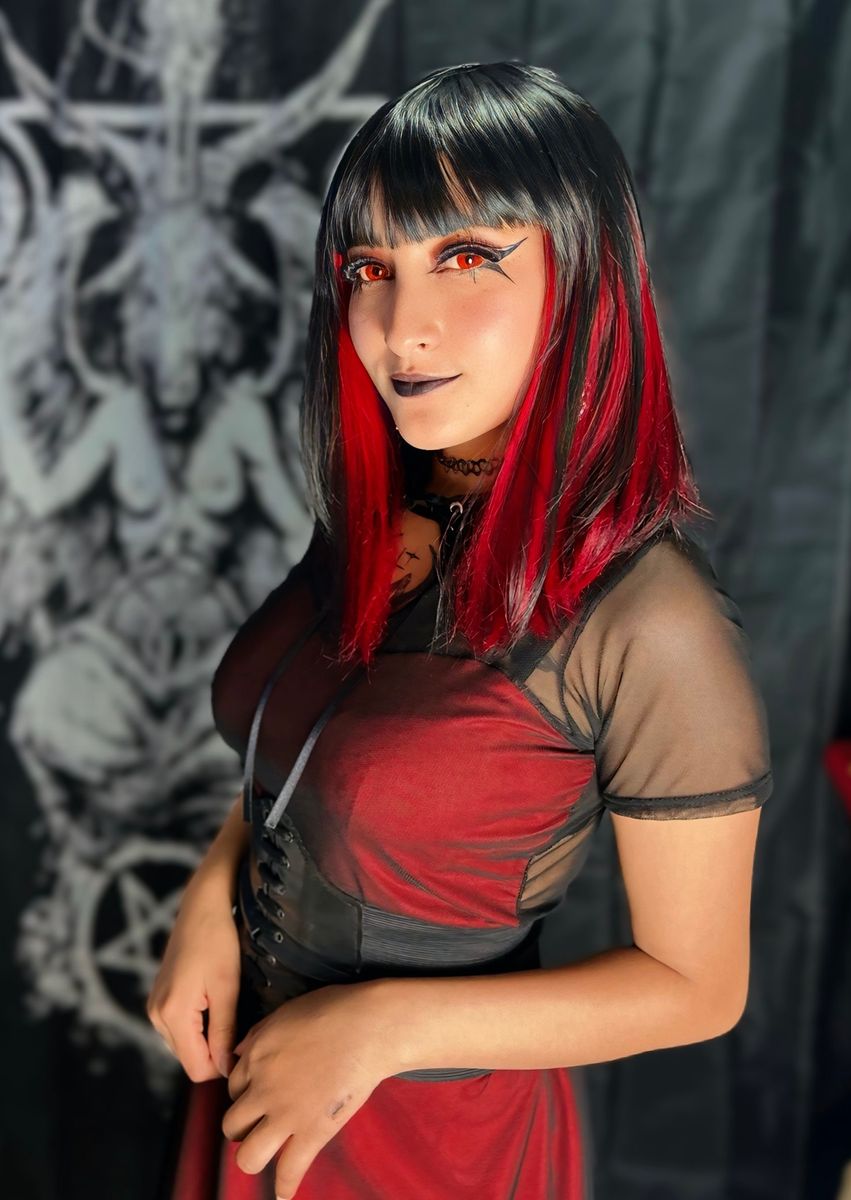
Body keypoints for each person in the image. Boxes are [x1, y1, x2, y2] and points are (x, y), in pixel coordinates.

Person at [148, 60, 774, 1200]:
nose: (401, 326)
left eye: (467, 257)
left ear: (580, 276)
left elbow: (697, 986)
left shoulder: (650, 621)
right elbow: (312, 752)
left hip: (432, 1139)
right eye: (369, 269)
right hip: (254, 1086)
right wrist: (211, 897)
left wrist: (379, 1028)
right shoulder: (390, 510)